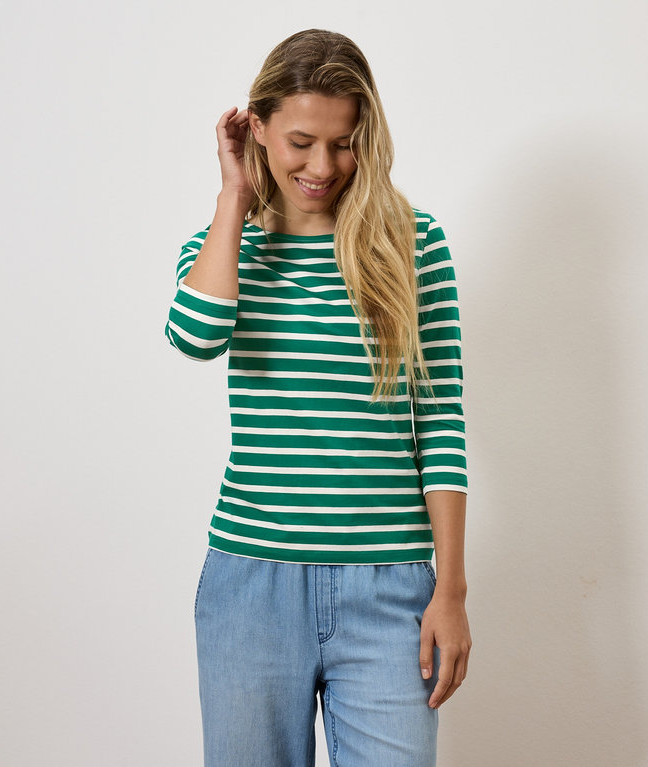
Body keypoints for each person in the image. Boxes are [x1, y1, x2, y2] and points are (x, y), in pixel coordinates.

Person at [165, 28, 471, 767]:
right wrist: (235, 198)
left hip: (392, 589)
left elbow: (441, 423)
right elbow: (194, 335)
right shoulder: (225, 246)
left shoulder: (412, 243)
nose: (322, 165)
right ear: (257, 128)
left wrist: (452, 589)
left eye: (344, 142)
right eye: (301, 140)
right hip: (251, 585)